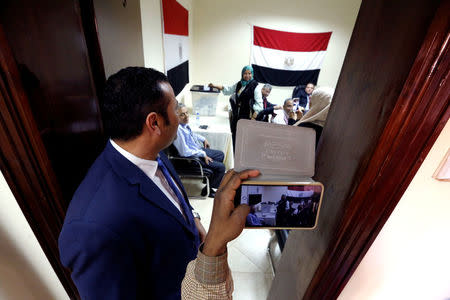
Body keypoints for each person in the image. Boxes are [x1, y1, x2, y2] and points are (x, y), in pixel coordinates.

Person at [58, 67, 209, 299]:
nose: (180, 116)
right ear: (155, 123)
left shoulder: (153, 154)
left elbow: (171, 197)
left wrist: (192, 217)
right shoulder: (94, 227)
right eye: (176, 108)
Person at [173, 103, 225, 197]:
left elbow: (191, 135)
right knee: (221, 167)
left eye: (187, 113)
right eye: (182, 114)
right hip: (191, 159)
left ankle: (210, 179)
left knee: (220, 154)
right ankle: (209, 189)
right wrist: (203, 154)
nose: (186, 116)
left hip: (196, 150)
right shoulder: (178, 131)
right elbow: (184, 152)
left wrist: (203, 139)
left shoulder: (183, 126)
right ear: (176, 116)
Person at [209, 65, 258, 149]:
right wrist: (215, 86)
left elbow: (259, 104)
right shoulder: (240, 84)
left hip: (247, 116)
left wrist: (253, 118)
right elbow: (229, 89)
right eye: (245, 73)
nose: (247, 75)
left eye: (249, 73)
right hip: (237, 114)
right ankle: (234, 155)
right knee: (235, 134)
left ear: (252, 74)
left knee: (244, 138)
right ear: (242, 74)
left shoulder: (255, 86)